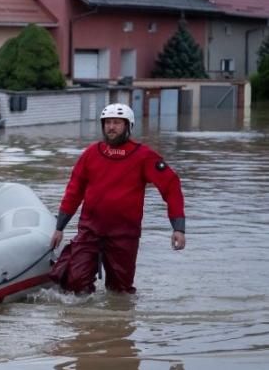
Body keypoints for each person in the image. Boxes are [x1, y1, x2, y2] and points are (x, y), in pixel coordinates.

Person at [49, 103, 186, 294]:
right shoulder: (90, 154)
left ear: (128, 126)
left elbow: (171, 186)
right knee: (74, 283)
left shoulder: (144, 156)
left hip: (124, 235)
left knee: (120, 292)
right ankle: (85, 322)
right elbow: (73, 191)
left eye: (117, 123)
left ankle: (118, 322)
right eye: (107, 123)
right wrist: (59, 228)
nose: (111, 127)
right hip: (90, 231)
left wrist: (178, 228)